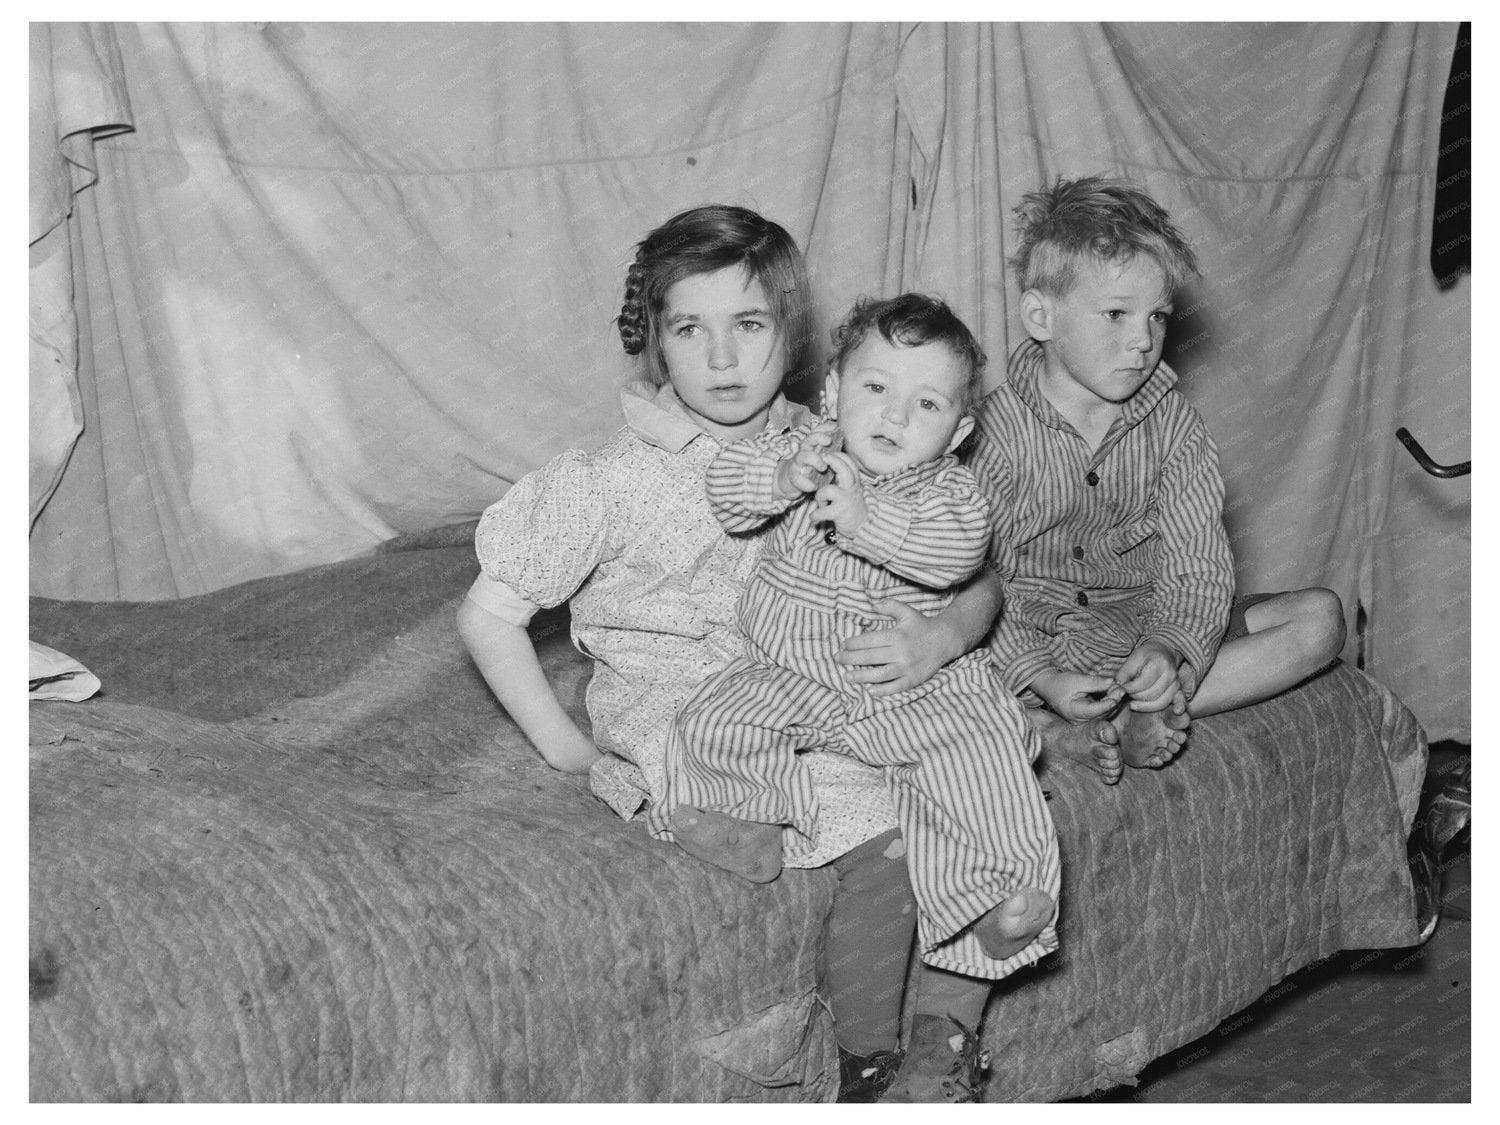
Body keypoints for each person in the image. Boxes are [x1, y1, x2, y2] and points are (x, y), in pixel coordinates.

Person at [455, 206, 1003, 1102]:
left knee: (978, 804)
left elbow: (973, 567)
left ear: (791, 336)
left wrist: (941, 633)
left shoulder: (845, 439)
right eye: (689, 329)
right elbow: (488, 615)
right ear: (656, 346)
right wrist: (572, 750)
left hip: (825, 690)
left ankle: (945, 1044)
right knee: (883, 831)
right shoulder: (606, 479)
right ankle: (869, 1065)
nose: (721, 359)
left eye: (747, 325)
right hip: (688, 710)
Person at [652, 294, 1058, 1096]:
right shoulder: (800, 446)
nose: (895, 415)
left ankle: (1004, 895)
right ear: (833, 391)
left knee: (984, 757)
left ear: (960, 431)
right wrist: (778, 475)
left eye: (928, 403)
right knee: (711, 717)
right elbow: (727, 489)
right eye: (875, 389)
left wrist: (870, 518)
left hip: (912, 686)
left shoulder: (951, 494)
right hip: (799, 674)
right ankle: (743, 820)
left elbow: (954, 556)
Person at [970, 174, 1347, 785]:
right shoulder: (989, 434)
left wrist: (1171, 651)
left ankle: (1141, 712)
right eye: (1116, 313)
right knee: (947, 660)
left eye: (1158, 316)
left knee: (1322, 619)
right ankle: (1052, 724)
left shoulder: (1177, 425)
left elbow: (1197, 568)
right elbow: (975, 584)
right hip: (1035, 647)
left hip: (1143, 624)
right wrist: (1041, 676)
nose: (1143, 341)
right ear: (1041, 315)